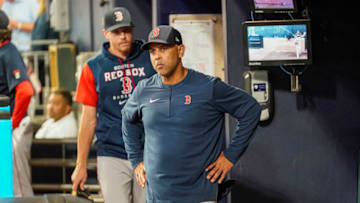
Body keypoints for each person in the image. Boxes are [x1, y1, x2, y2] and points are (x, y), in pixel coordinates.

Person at [121, 25, 261, 203]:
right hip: (158, 196)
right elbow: (127, 119)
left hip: (199, 195)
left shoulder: (208, 87)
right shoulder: (144, 90)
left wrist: (230, 156)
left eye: (163, 49)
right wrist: (136, 160)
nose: (157, 56)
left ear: (180, 50)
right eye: (152, 51)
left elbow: (251, 110)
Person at [71, 7, 156, 203]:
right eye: (117, 32)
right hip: (112, 153)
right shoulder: (93, 67)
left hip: (150, 151)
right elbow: (88, 120)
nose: (123, 36)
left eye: (127, 30)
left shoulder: (150, 57)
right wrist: (80, 164)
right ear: (106, 33)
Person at [0, 10, 34, 197]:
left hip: (13, 125)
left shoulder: (8, 51)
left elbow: (26, 90)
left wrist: (10, 124)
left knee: (18, 187)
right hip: (5, 125)